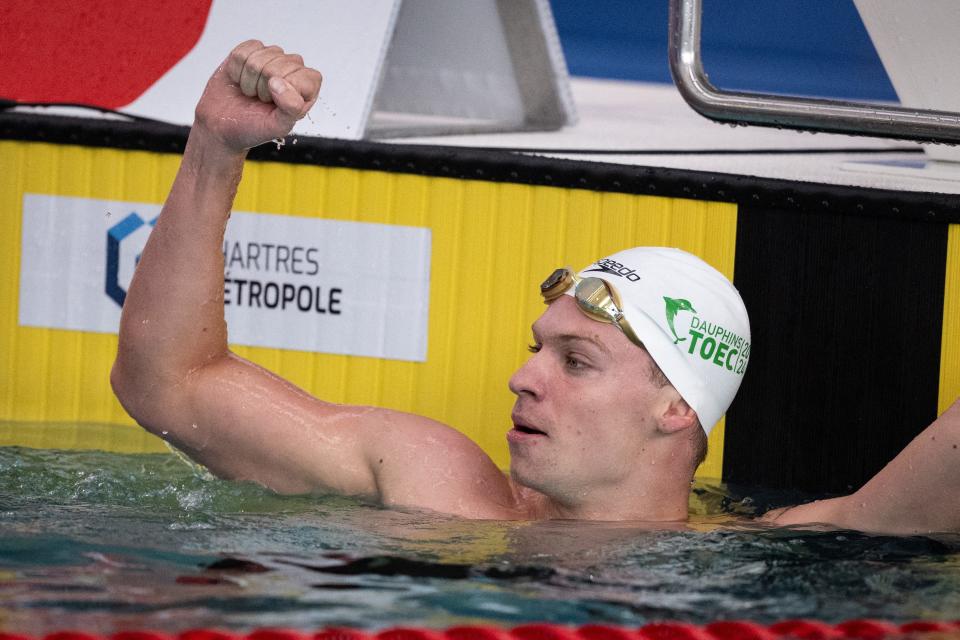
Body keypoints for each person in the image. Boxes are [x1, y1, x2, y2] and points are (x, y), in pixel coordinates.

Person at [112, 40, 960, 533]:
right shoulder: (435, 481)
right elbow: (168, 386)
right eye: (536, 349)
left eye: (576, 360)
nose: (523, 377)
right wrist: (216, 147)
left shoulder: (771, 548)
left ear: (677, 405)